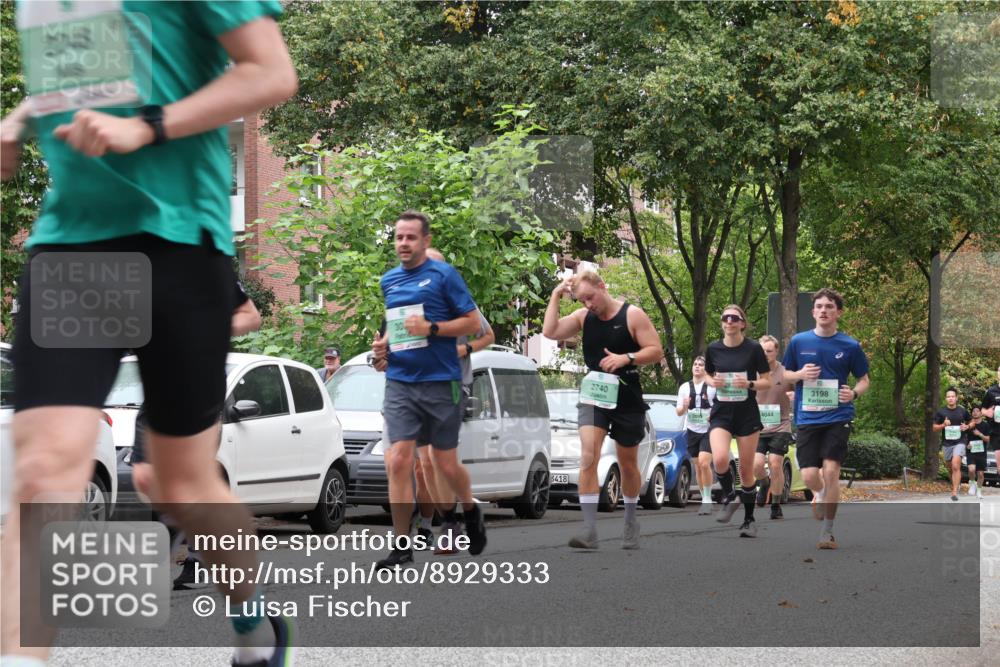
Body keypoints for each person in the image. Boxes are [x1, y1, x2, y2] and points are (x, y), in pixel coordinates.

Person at [0, 3, 297, 666]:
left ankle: (252, 623)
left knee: (178, 484)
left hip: (178, 247)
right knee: (44, 469)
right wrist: (22, 116)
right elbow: (94, 71)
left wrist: (148, 127)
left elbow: (271, 72)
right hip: (73, 250)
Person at [370, 211, 486, 569]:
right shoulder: (389, 280)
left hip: (441, 382)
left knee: (445, 464)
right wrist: (382, 348)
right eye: (398, 237)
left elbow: (471, 323)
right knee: (399, 461)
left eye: (410, 237)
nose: (403, 243)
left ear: (426, 241)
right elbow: (397, 324)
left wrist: (431, 329)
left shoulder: (444, 275)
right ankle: (401, 545)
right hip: (401, 382)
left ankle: (470, 510)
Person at [132, 280, 261, 588]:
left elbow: (251, 315)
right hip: (156, 396)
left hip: (198, 390)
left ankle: (201, 564)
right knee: (145, 479)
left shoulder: (201, 259)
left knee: (188, 484)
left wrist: (207, 330)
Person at [542, 270, 663, 550]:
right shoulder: (585, 318)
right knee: (588, 455)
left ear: (602, 286)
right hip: (595, 392)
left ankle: (631, 520)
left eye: (590, 297)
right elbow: (550, 332)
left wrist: (627, 357)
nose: (587, 304)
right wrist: (556, 295)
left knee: (628, 463)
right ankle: (589, 528)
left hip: (627, 395)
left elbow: (656, 350)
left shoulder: (632, 315)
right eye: (582, 300)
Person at [783, 288, 870, 550]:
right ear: (813, 312)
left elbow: (864, 380)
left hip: (838, 416)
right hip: (808, 417)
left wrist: (853, 393)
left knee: (831, 472)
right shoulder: (799, 342)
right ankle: (819, 494)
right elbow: (784, 374)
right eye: (819, 306)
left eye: (829, 307)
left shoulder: (850, 345)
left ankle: (827, 532)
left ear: (838, 312)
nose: (823, 310)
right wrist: (799, 374)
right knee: (810, 476)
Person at [705, 305, 772, 538]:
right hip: (722, 412)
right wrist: (711, 381)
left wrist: (750, 384)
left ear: (742, 323)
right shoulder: (713, 348)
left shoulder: (753, 349)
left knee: (745, 469)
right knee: (721, 458)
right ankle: (730, 496)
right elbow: (706, 372)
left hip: (746, 413)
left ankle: (749, 520)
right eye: (726, 317)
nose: (730, 321)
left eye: (735, 318)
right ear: (722, 323)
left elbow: (767, 381)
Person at [754, 335, 796, 520]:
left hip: (781, 425)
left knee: (775, 463)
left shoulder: (786, 372)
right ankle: (764, 483)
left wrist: (795, 396)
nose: (765, 354)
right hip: (758, 426)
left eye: (769, 351)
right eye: (762, 351)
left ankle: (776, 505)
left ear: (776, 351)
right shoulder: (752, 372)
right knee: (756, 465)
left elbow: (800, 389)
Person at [676, 356, 717, 515]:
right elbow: (679, 412)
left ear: (705, 369)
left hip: (709, 429)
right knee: (698, 466)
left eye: (701, 364)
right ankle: (704, 496)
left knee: (704, 463)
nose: (697, 366)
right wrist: (685, 406)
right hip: (692, 429)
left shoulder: (712, 386)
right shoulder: (684, 387)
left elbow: (721, 405)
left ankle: (707, 500)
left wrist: (712, 414)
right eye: (695, 364)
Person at [933, 387, 974, 501]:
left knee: (956, 465)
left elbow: (972, 421)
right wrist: (943, 425)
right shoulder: (941, 412)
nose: (950, 398)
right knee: (950, 468)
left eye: (952, 396)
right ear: (946, 399)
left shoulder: (962, 411)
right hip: (947, 444)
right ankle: (957, 483)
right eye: (948, 396)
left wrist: (967, 426)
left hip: (960, 442)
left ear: (956, 398)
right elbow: (934, 428)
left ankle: (954, 491)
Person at [968, 406, 991, 499]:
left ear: (981, 413)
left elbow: (988, 439)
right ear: (971, 413)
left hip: (981, 452)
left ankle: (979, 491)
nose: (975, 412)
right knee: (971, 470)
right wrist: (967, 445)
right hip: (971, 451)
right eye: (973, 411)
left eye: (977, 411)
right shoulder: (969, 425)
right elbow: (964, 437)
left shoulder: (986, 425)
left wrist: (980, 434)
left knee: (980, 474)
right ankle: (972, 483)